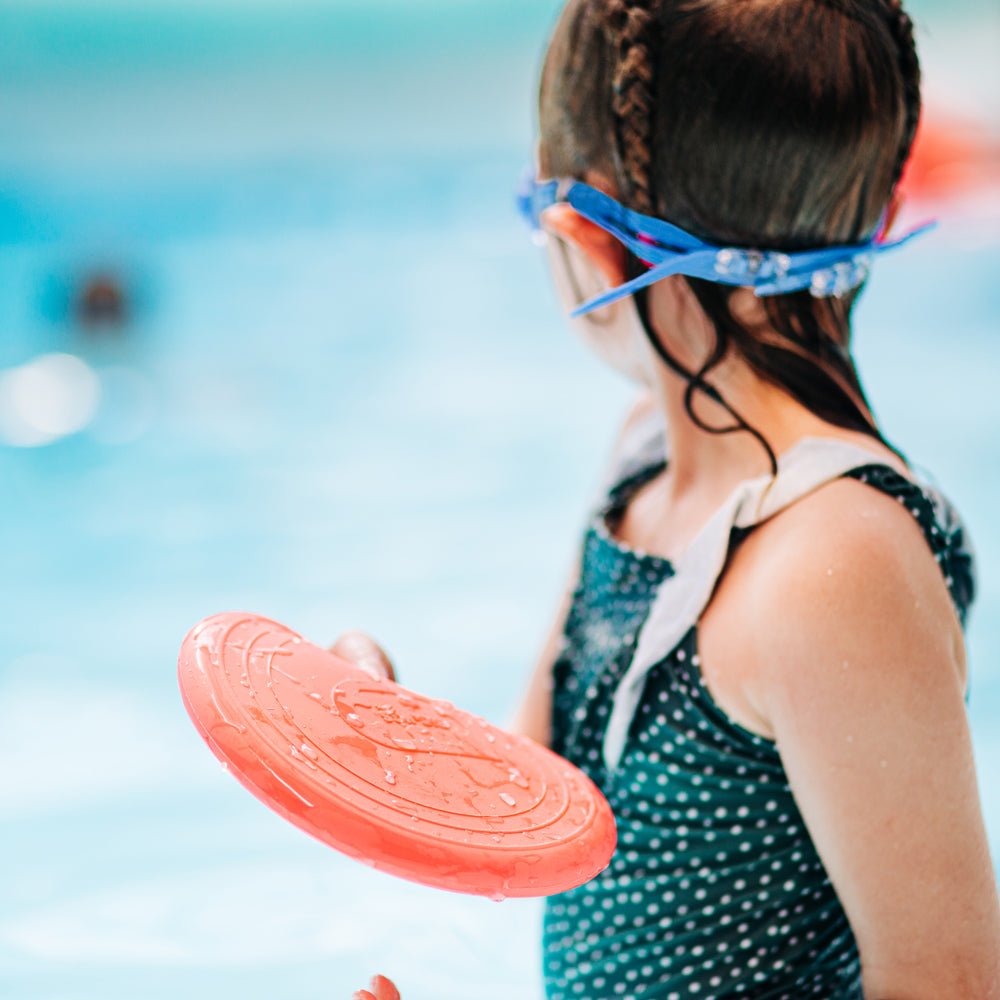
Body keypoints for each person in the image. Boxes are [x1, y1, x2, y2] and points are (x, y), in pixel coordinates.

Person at [345, 0, 1000, 996]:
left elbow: (945, 981)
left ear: (585, 241)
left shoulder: (831, 560)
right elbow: (532, 799)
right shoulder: (644, 467)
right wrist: (370, 735)